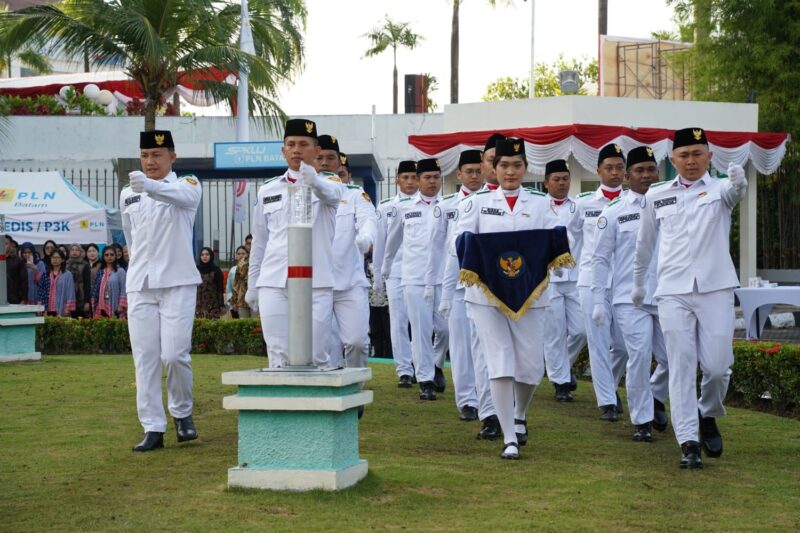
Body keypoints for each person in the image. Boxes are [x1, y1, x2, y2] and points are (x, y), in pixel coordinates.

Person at [634, 127, 747, 469]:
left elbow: (735, 193)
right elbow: (644, 245)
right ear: (673, 159)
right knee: (681, 365)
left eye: (697, 154)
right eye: (684, 155)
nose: (691, 161)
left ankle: (707, 412)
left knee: (717, 367)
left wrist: (739, 182)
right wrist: (638, 284)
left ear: (709, 157)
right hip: (673, 291)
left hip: (715, 288)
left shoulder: (720, 189)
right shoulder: (657, 195)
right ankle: (688, 442)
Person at [456, 138, 560, 460]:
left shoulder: (541, 204)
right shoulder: (476, 203)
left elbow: (556, 241)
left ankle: (519, 414)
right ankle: (509, 437)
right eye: (503, 165)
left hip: (530, 295)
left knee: (531, 367)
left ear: (526, 168)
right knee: (499, 362)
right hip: (486, 297)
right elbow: (458, 243)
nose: (510, 171)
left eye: (517, 165)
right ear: (494, 167)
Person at [121, 129, 203, 452]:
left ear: (172, 157)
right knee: (145, 359)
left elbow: (184, 199)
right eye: (145, 156)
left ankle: (182, 413)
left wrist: (150, 186)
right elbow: (131, 238)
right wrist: (142, 188)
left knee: (174, 354)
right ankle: (152, 426)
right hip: (141, 284)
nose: (150, 161)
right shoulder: (129, 194)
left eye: (156, 155)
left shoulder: (188, 185)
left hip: (177, 282)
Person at [245, 118, 343, 369]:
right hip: (274, 280)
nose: (296, 150)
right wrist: (253, 284)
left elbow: (332, 196)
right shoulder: (268, 190)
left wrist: (314, 180)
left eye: (303, 144)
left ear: (316, 150)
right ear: (283, 150)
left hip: (316, 282)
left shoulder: (330, 183)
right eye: (291, 144)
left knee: (316, 354)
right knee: (278, 354)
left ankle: (317, 395)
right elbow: (260, 241)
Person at [591, 146, 669, 442]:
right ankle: (642, 420)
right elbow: (600, 259)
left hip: (666, 294)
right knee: (639, 354)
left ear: (658, 173)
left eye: (650, 170)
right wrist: (598, 300)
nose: (646, 175)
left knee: (673, 358)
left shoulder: (670, 204)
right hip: (628, 298)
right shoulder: (614, 212)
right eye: (639, 170)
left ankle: (656, 395)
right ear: (627, 176)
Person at [567, 143, 629, 421]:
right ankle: (606, 401)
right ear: (598, 170)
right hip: (592, 282)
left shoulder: (634, 203)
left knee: (625, 345)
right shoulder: (583, 203)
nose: (615, 173)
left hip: (624, 281)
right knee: (598, 341)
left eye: (619, 168)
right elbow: (569, 235)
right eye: (609, 168)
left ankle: (610, 386)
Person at [383, 158, 449, 401]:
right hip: (414, 277)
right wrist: (385, 268)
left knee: (445, 330)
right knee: (421, 331)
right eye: (427, 177)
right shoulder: (405, 208)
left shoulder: (450, 206)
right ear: (419, 179)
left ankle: (436, 364)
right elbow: (392, 241)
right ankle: (425, 380)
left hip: (442, 278)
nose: (432, 182)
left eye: (436, 177)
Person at [429, 149, 484, 420]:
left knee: (484, 347)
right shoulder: (446, 206)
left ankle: (488, 399)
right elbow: (436, 248)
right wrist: (434, 286)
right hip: (457, 285)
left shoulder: (490, 201)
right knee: (461, 347)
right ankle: (467, 401)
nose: (474, 176)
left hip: (485, 286)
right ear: (459, 174)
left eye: (478, 171)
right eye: (469, 172)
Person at [318, 141, 377, 372]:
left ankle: (356, 384)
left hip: (349, 283)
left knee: (357, 342)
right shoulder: (303, 192)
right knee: (324, 345)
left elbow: (368, 220)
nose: (325, 163)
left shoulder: (354, 194)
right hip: (318, 284)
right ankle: (330, 386)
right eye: (320, 158)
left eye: (330, 158)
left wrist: (366, 238)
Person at [542, 159, 586, 402]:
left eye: (565, 179)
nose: (561, 183)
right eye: (556, 179)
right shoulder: (538, 207)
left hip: (574, 277)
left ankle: (562, 368)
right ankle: (560, 382)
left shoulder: (579, 206)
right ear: (546, 182)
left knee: (581, 331)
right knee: (554, 333)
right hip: (548, 279)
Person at [372, 161, 419, 387]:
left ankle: (423, 365)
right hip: (396, 270)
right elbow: (380, 242)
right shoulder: (386, 207)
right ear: (397, 180)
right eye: (406, 177)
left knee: (423, 323)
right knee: (398, 320)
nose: (410, 182)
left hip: (420, 271)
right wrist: (378, 275)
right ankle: (404, 370)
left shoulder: (431, 204)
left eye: (414, 177)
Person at [37, 248, 76, 317]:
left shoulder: (67, 274)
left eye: (57, 258)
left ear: (62, 260)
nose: (55, 260)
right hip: (47, 308)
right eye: (53, 257)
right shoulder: (45, 274)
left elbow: (70, 292)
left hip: (61, 309)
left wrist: (68, 308)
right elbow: (41, 291)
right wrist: (39, 307)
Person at [92, 246, 128, 318]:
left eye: (112, 254)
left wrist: (121, 305)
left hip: (116, 306)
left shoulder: (120, 271)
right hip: (100, 306)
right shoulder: (101, 271)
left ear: (115, 256)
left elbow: (124, 289)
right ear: (103, 257)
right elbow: (96, 289)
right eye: (106, 255)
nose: (109, 257)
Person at [195, 247, 225, 319]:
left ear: (211, 256)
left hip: (212, 305)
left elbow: (220, 289)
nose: (204, 256)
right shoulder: (196, 270)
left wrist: (221, 305)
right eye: (202, 255)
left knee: (212, 324)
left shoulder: (216, 270)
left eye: (207, 254)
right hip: (198, 304)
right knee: (199, 324)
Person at [66, 243, 92, 318]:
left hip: (81, 295)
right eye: (72, 250)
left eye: (77, 250)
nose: (74, 252)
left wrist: (87, 301)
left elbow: (87, 284)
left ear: (80, 252)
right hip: (68, 295)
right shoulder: (65, 264)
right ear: (69, 252)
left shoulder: (85, 265)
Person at [228, 246, 254, 319]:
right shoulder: (234, 269)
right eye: (239, 254)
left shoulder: (253, 266)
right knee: (244, 323)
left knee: (256, 323)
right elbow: (234, 286)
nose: (241, 256)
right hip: (241, 300)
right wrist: (233, 301)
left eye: (243, 253)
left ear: (247, 254)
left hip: (254, 299)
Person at [5, 237, 27, 305]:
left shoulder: (18, 261)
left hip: (14, 299)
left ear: (11, 245)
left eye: (6, 243)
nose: (2, 245)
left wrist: (24, 299)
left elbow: (24, 281)